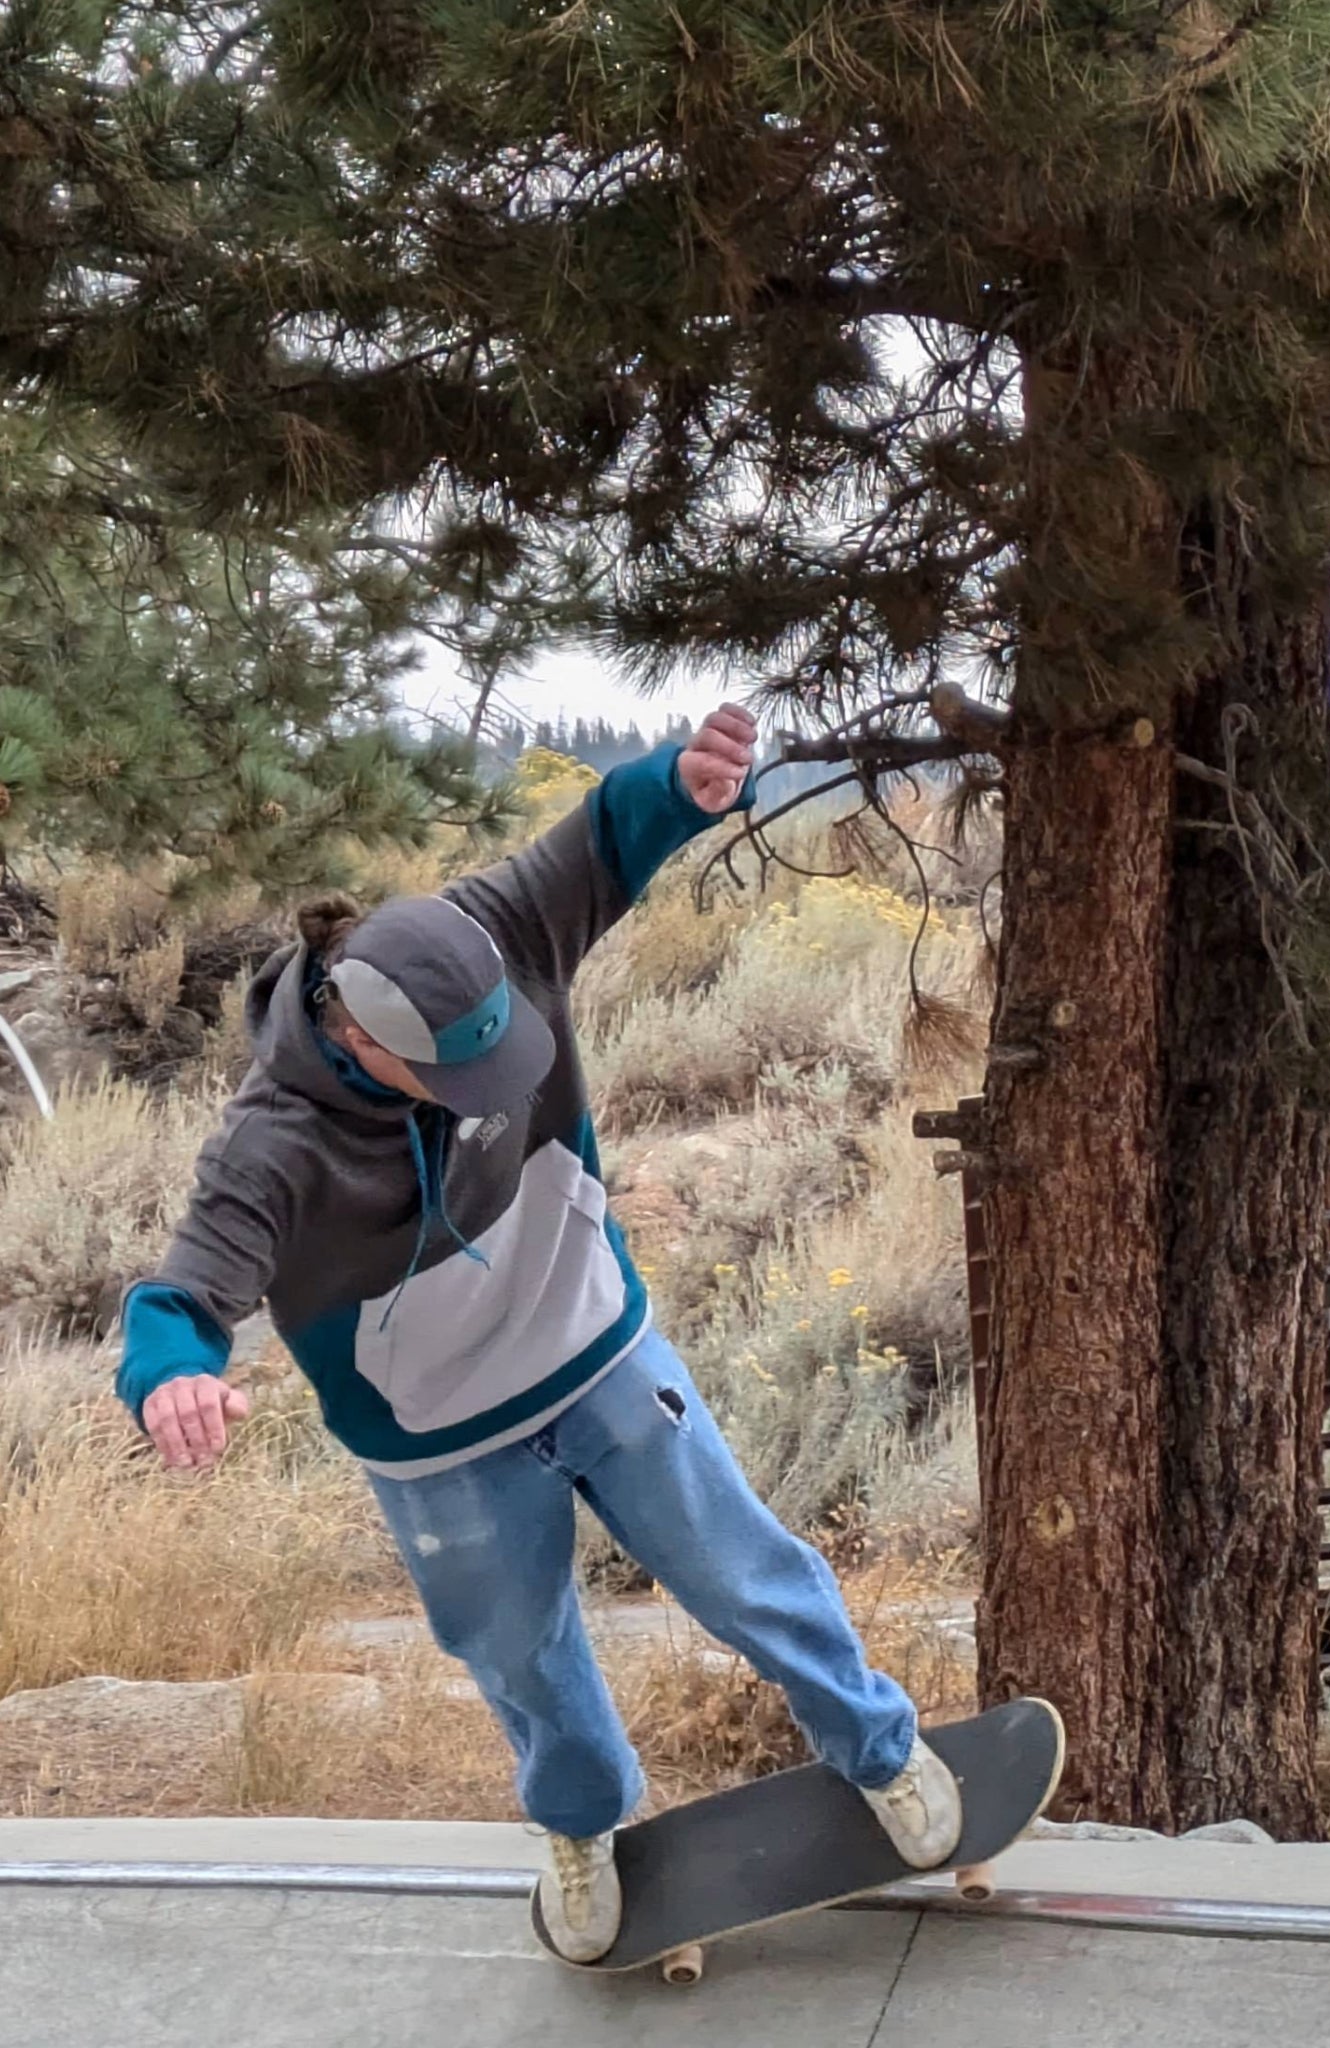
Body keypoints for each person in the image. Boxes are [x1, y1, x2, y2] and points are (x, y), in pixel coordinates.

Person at [115, 707, 961, 1961]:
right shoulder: (273, 1144)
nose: (498, 1096)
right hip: (439, 1440)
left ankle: (878, 1744)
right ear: (356, 1038)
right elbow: (182, 1292)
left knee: (738, 1568)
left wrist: (679, 782)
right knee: (517, 1649)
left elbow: (607, 833)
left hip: (595, 1349)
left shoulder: (489, 931)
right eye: (459, 1082)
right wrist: (173, 1371)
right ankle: (584, 1824)